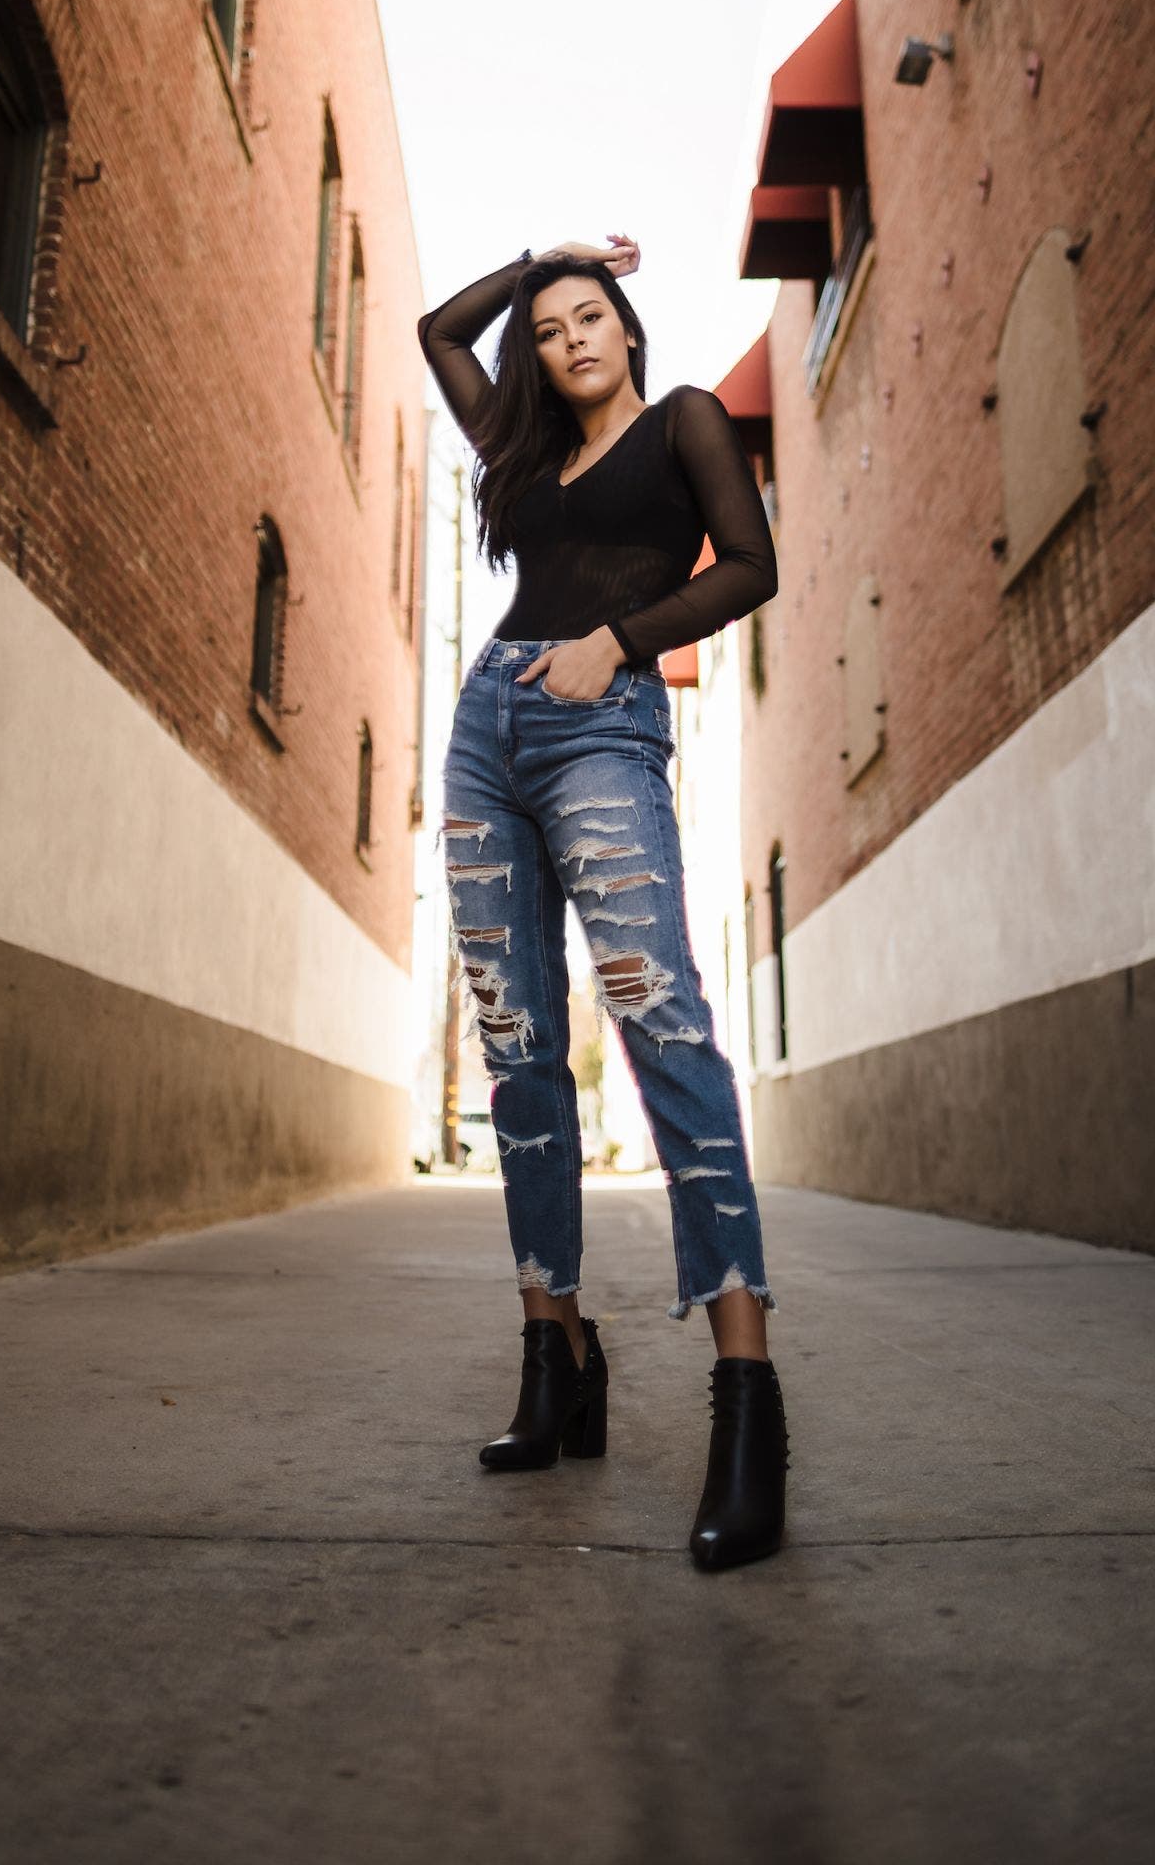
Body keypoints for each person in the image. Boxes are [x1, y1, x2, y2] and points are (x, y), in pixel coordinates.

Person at [418, 234, 789, 1571]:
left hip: (602, 722)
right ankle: (555, 1351)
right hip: (488, 730)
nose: (574, 339)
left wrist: (618, 644)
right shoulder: (523, 452)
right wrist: (543, 254)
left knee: (660, 1016)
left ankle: (747, 1394)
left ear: (628, 330)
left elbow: (751, 566)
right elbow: (438, 336)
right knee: (516, 1040)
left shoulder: (684, 422)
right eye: (556, 324)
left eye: (593, 316)